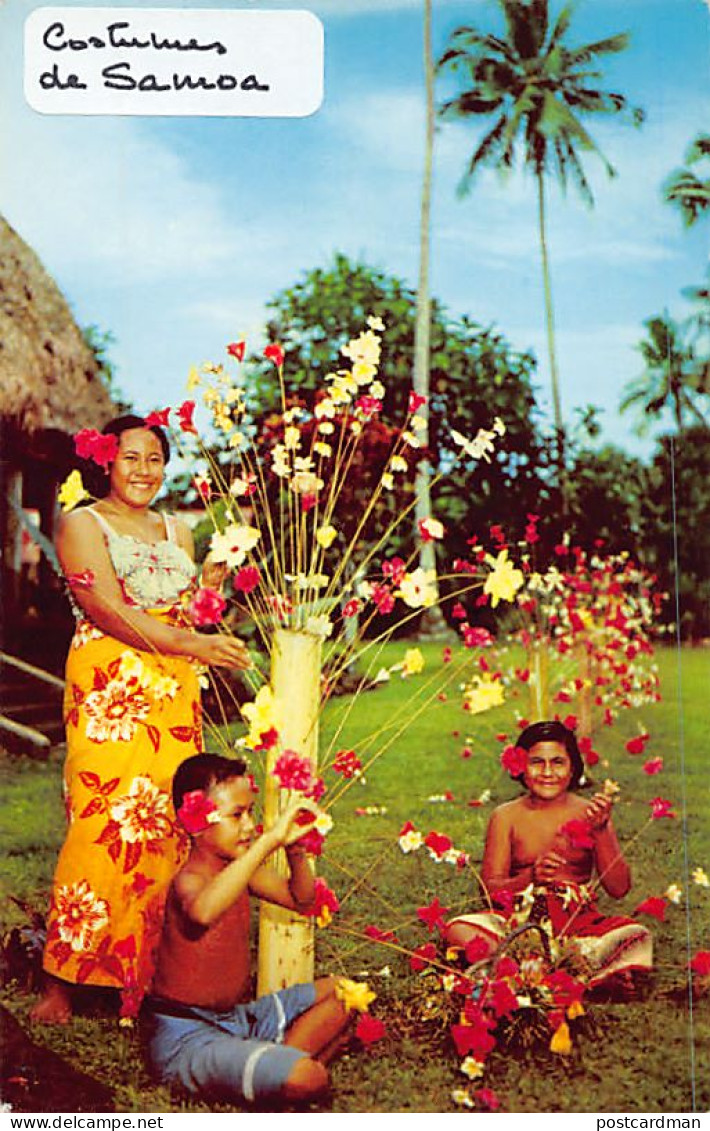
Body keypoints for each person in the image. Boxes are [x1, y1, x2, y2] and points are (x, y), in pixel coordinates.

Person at [32, 415, 250, 1024]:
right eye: (132, 458)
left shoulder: (177, 529)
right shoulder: (82, 522)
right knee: (100, 822)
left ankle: (149, 971)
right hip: (111, 690)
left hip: (174, 691)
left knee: (172, 819)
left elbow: (191, 618)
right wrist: (191, 645)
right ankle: (65, 981)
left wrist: (214, 586)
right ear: (107, 461)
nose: (144, 471)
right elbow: (104, 609)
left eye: (155, 459)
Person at [144, 753, 351, 1106]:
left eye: (250, 812)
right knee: (308, 1077)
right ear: (194, 820)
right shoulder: (189, 880)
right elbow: (204, 911)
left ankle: (270, 1063)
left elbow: (302, 901)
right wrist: (266, 842)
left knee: (346, 993)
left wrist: (295, 850)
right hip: (188, 1034)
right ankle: (284, 1068)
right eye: (236, 815)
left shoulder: (242, 868)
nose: (249, 825)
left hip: (239, 1019)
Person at [446, 720, 652, 996]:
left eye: (557, 762)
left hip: (577, 925)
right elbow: (490, 891)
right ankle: (578, 973)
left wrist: (602, 830)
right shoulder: (506, 816)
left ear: (572, 769)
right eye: (536, 762)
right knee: (458, 929)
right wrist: (529, 878)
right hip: (519, 922)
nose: (547, 772)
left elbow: (618, 888)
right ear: (520, 767)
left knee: (637, 935)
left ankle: (533, 970)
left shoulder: (592, 814)